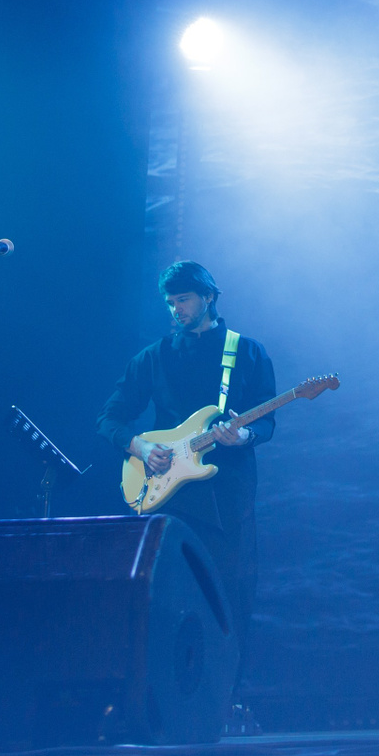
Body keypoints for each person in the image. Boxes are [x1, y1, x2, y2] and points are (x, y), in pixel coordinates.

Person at [96, 260, 277, 730]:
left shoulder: (247, 351)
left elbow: (267, 421)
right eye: (171, 302)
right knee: (166, 599)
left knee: (232, 597)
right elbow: (110, 419)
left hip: (228, 499)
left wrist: (245, 436)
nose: (176, 309)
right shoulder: (153, 357)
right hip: (169, 499)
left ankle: (228, 704)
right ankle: (161, 705)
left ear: (208, 297)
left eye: (184, 300)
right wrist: (140, 447)